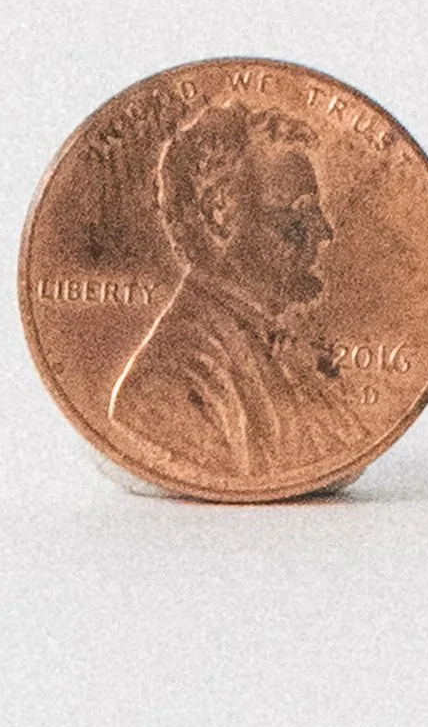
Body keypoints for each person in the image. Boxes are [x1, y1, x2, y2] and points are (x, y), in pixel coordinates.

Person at [109, 98, 370, 479]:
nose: (324, 232)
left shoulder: (276, 346)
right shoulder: (170, 381)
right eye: (299, 214)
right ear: (219, 213)